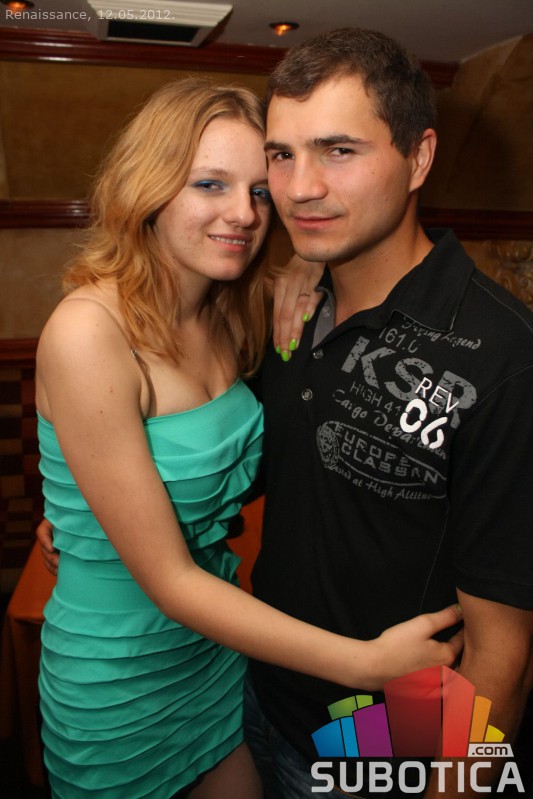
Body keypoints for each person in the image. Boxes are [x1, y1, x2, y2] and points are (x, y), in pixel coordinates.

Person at [34, 77, 463, 799]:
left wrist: (306, 261)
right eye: (210, 184)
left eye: (259, 191)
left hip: (220, 648)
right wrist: (365, 664)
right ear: (149, 189)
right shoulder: (88, 331)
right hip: (119, 673)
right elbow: (168, 579)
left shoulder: (234, 312)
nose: (243, 213)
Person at [242, 28, 533, 798]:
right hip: (254, 697)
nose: (299, 187)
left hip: (377, 750)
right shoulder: (289, 306)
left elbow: (503, 655)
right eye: (280, 154)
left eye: (338, 150)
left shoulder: (501, 357)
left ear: (419, 157)